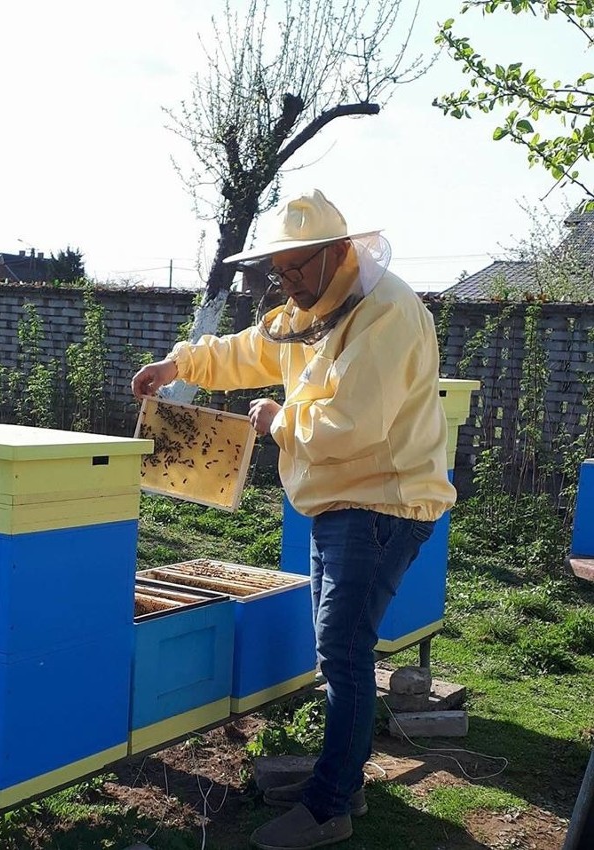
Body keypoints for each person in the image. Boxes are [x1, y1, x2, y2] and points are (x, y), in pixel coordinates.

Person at [131, 190, 456, 850]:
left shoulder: (386, 312)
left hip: (380, 505)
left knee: (343, 654)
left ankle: (329, 804)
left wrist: (279, 422)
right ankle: (345, 782)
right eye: (279, 272)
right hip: (337, 504)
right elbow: (250, 348)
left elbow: (353, 425)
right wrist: (179, 364)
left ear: (338, 253)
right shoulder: (309, 308)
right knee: (338, 652)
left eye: (297, 270)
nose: (287, 283)